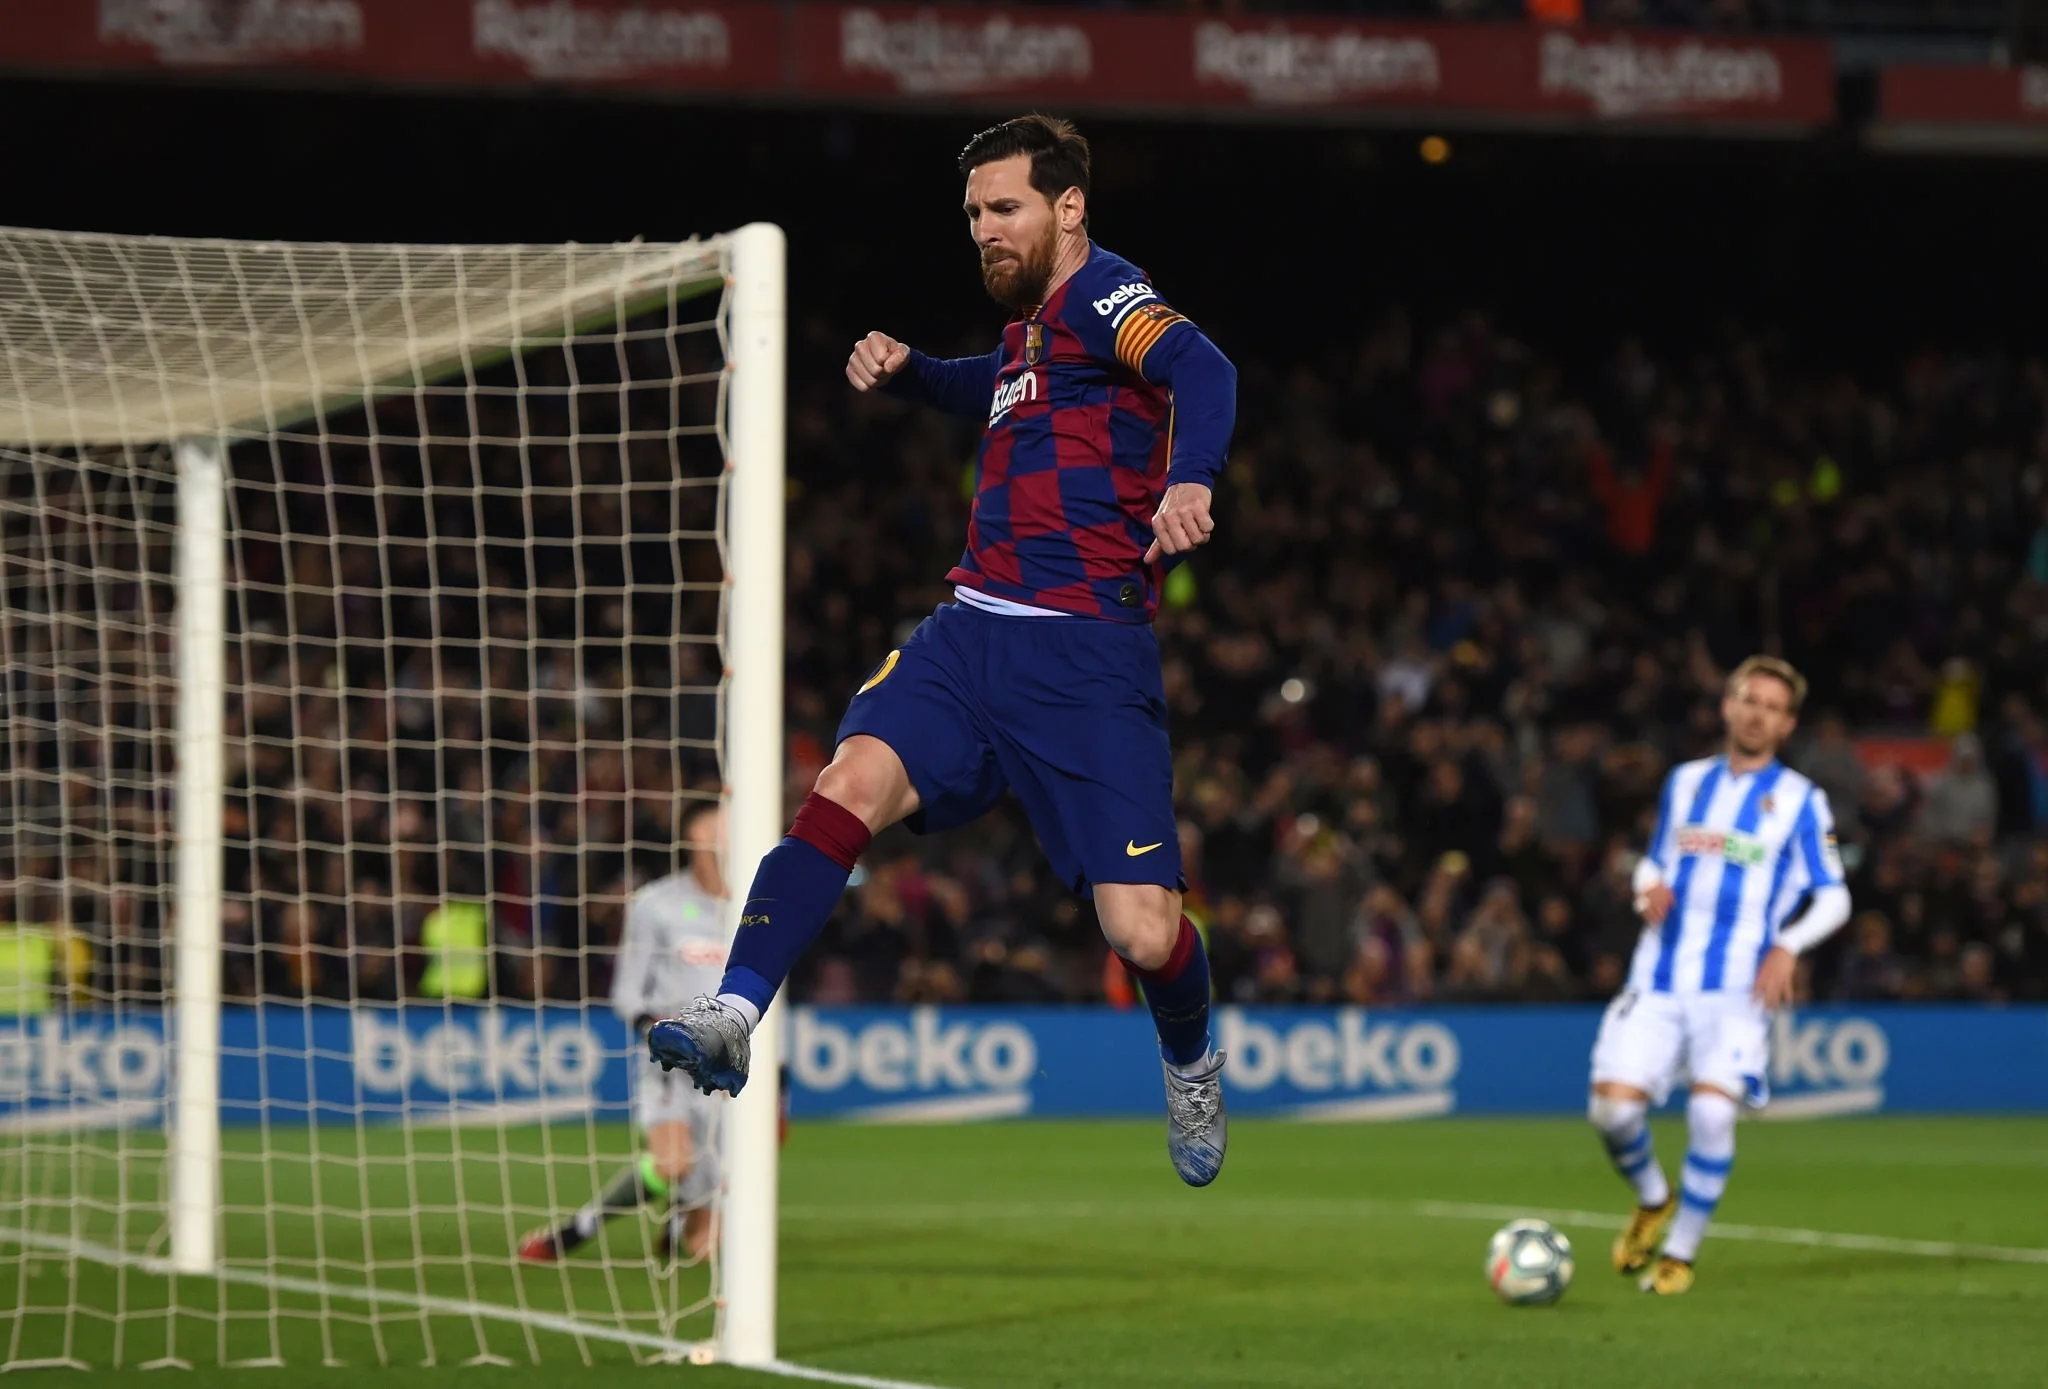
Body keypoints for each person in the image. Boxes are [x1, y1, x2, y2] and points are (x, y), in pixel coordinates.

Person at [648, 113, 1239, 1186]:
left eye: (1004, 207)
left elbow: (1203, 367)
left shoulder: (1108, 296)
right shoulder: (1031, 335)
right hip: (967, 636)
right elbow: (991, 385)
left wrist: (1191, 477)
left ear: (1069, 208)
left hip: (1086, 656)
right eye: (972, 214)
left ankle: (1191, 1057)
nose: (984, 230)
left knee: (1144, 933)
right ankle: (735, 1009)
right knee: (845, 784)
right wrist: (915, 370)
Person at [1587, 656, 1852, 1294]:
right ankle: (1654, 1198)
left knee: (1711, 1115)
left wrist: (1788, 944)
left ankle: (1680, 1254)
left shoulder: (1801, 801)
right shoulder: (1684, 783)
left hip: (1737, 989)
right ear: (1728, 707)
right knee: (1612, 1114)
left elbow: (1835, 895)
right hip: (1658, 977)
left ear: (1787, 725)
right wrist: (1645, 887)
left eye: (1772, 708)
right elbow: (1655, 860)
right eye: (1749, 700)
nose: (1758, 715)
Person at [520, 803, 730, 1263]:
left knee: (704, 1249)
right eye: (720, 825)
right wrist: (662, 1036)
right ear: (696, 837)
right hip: (673, 1065)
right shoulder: (656, 904)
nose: (730, 834)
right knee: (671, 1163)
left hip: (731, 1072)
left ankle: (683, 1216)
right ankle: (577, 1230)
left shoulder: (756, 906)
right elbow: (627, 992)